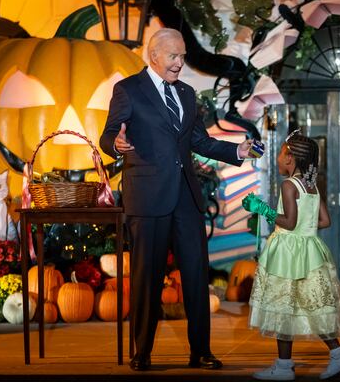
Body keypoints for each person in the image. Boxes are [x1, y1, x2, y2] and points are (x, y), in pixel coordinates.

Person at [99, 28, 254, 371]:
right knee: (146, 278)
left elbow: (199, 141)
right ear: (154, 56)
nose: (180, 63)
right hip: (148, 198)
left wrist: (236, 150)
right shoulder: (128, 90)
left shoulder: (186, 93)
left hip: (186, 196)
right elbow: (109, 134)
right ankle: (142, 352)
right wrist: (117, 145)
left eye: (183, 56)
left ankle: (200, 351)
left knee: (196, 277)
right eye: (174, 56)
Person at [242, 130, 340, 381]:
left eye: (281, 154)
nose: (279, 159)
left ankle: (284, 367)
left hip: (288, 252)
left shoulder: (289, 185)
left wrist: (262, 209)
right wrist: (306, 227)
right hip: (309, 251)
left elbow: (289, 223)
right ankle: (338, 354)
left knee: (283, 306)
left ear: (290, 158)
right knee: (312, 305)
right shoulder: (311, 186)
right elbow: (324, 221)